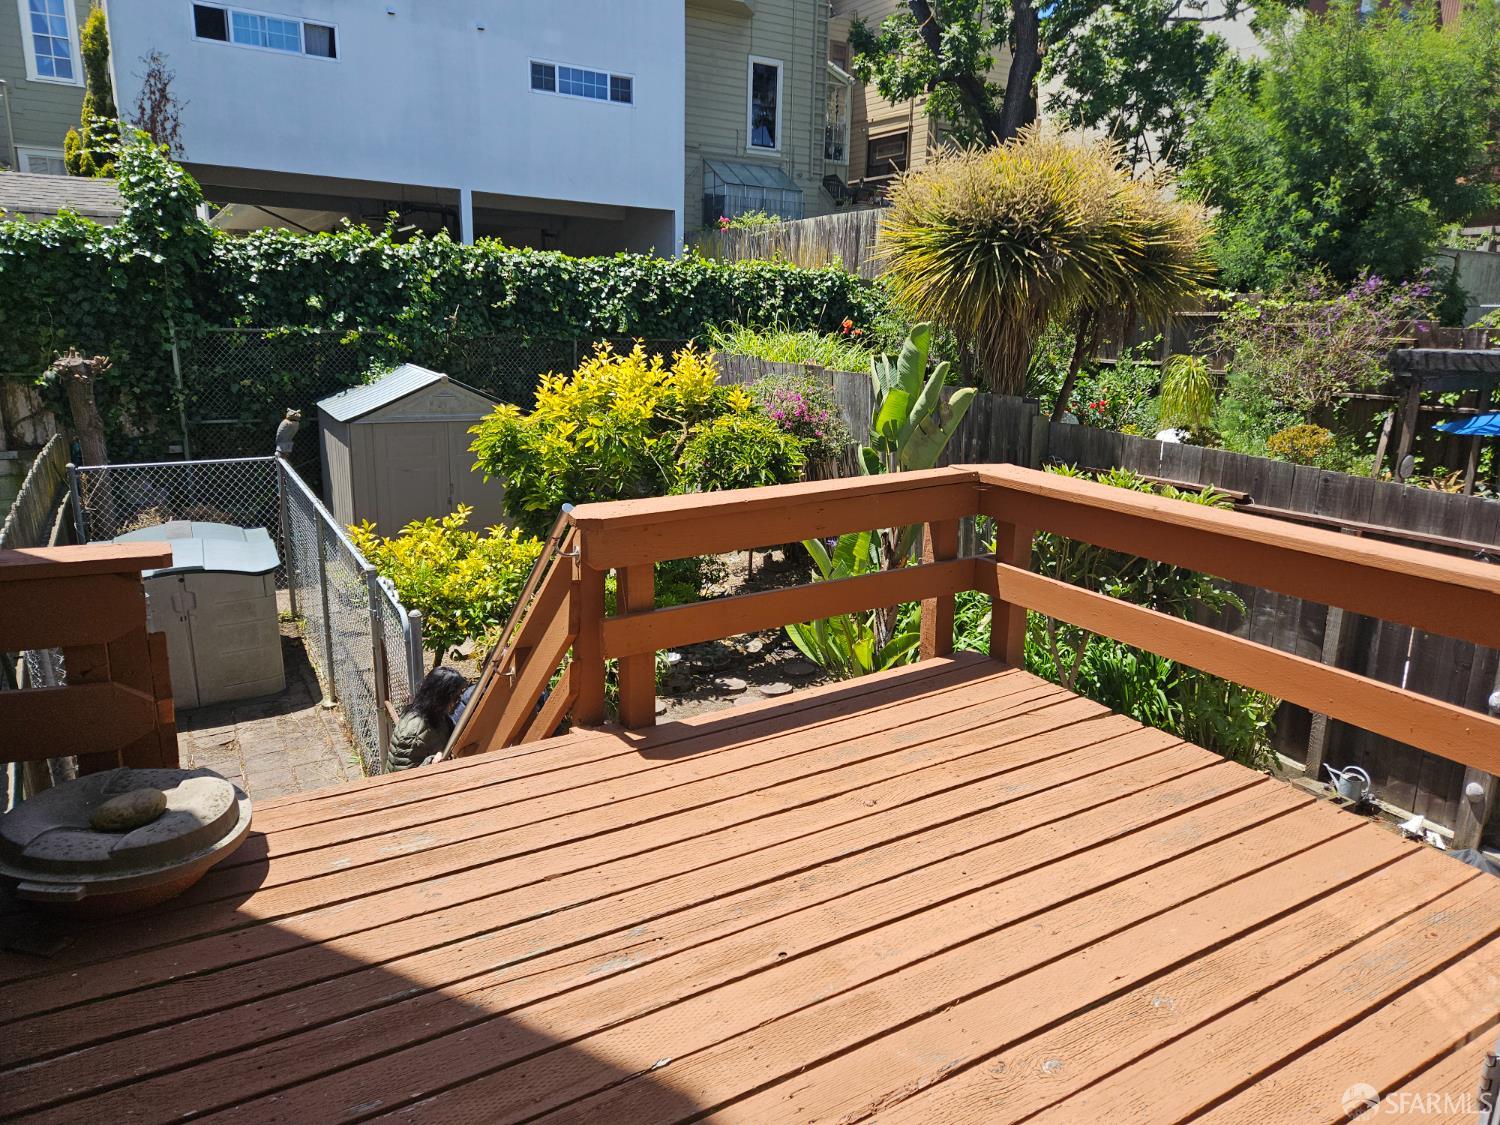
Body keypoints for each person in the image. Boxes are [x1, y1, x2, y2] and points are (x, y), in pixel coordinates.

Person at [389, 666, 467, 771]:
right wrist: (431, 762)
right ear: (441, 697)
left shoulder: (436, 715)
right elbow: (403, 774)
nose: (458, 701)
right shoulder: (414, 732)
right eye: (455, 697)